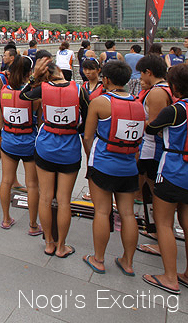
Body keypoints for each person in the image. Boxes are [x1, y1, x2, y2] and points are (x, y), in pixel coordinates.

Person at [142, 64, 188, 294]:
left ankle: (169, 277)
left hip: (175, 171)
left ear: (175, 87)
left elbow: (151, 129)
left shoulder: (175, 111)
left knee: (164, 223)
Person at [82, 60, 144, 276]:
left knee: (102, 211)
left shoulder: (100, 102)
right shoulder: (138, 104)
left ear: (105, 79)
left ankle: (98, 259)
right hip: (129, 166)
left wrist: (90, 156)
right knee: (127, 214)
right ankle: (128, 262)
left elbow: (88, 136)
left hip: (103, 163)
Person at [22, 58, 86, 258]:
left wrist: (33, 78)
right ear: (60, 70)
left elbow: (23, 95)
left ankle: (49, 243)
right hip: (70, 148)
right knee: (64, 200)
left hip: (46, 146)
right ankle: (61, 246)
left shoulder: (42, 89)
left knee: (45, 197)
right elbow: (87, 116)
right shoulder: (79, 90)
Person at [0, 55, 41, 235]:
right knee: (32, 185)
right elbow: (40, 120)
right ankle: (33, 225)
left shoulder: (3, 92)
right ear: (29, 73)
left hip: (8, 141)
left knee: (6, 180)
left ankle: (6, 219)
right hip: (29, 141)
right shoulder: (33, 96)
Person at [134, 55, 171, 256]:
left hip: (153, 149)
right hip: (158, 149)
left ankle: (160, 234)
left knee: (156, 193)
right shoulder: (168, 89)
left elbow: (155, 125)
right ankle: (157, 229)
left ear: (149, 72)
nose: (141, 78)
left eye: (142, 74)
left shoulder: (157, 93)